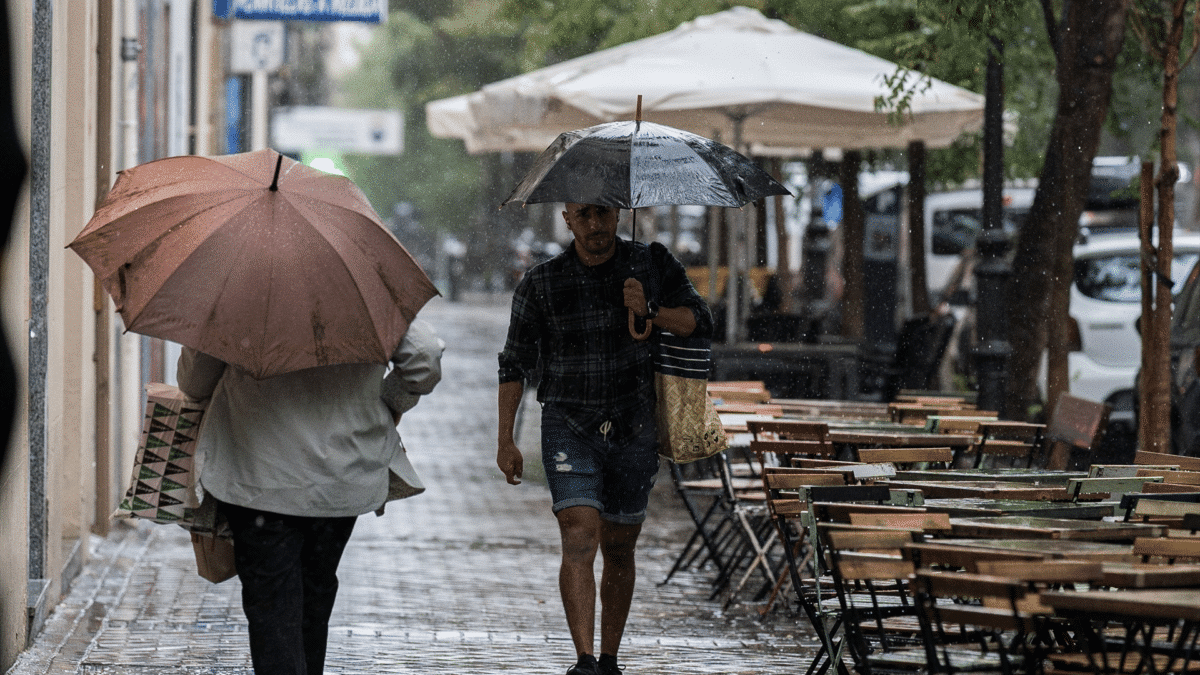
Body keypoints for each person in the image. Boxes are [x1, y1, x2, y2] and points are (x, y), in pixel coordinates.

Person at [496, 203, 712, 675]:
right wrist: (505, 440)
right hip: (568, 425)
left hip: (635, 426)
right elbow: (513, 362)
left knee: (620, 545)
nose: (595, 225)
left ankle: (610, 658)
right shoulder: (541, 282)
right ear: (567, 218)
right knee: (578, 534)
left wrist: (650, 310)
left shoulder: (651, 264)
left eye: (603, 213)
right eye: (584, 215)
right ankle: (585, 660)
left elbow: (700, 322)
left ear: (618, 213)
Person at [177, 318, 444, 675]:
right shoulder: (363, 289)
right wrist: (388, 401)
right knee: (314, 594)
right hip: (341, 474)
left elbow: (194, 382)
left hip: (258, 475)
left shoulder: (243, 290)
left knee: (273, 605)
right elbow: (424, 357)